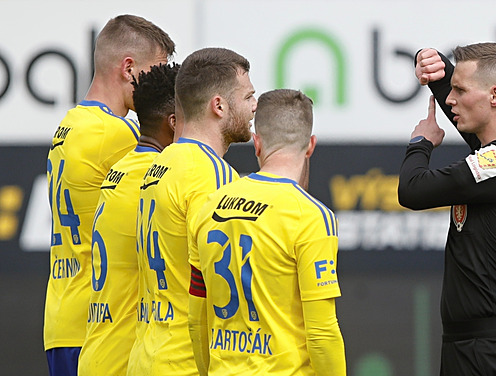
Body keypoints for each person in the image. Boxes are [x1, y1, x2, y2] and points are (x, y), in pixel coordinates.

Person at [398, 43, 496, 375]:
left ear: (495, 96)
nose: (450, 100)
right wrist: (436, 67)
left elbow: (412, 190)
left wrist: (421, 143)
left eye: (459, 90)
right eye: (451, 90)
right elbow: (473, 126)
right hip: (468, 345)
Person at [44, 15, 175, 376]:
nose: (160, 88)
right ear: (129, 68)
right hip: (98, 321)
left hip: (62, 313)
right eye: (157, 72)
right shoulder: (116, 135)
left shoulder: (70, 124)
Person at [187, 89, 346, 375]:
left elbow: (196, 319)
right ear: (310, 145)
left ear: (257, 144)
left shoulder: (211, 206)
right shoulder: (310, 216)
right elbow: (322, 333)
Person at [127, 47, 257, 376]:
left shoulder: (161, 163)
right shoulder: (212, 174)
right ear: (219, 105)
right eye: (248, 97)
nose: (255, 106)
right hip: (185, 361)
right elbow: (222, 281)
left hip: (146, 354)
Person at [77, 62, 180, 376]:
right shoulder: (157, 176)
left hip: (98, 350)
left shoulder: (121, 170)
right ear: (174, 122)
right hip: (123, 358)